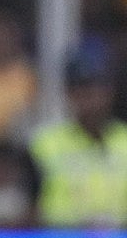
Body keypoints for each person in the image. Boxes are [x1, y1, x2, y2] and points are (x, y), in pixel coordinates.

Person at [28, 44, 127, 228]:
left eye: (96, 88)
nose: (90, 98)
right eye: (80, 89)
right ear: (68, 94)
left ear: (110, 91)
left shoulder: (124, 141)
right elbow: (30, 210)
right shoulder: (45, 145)